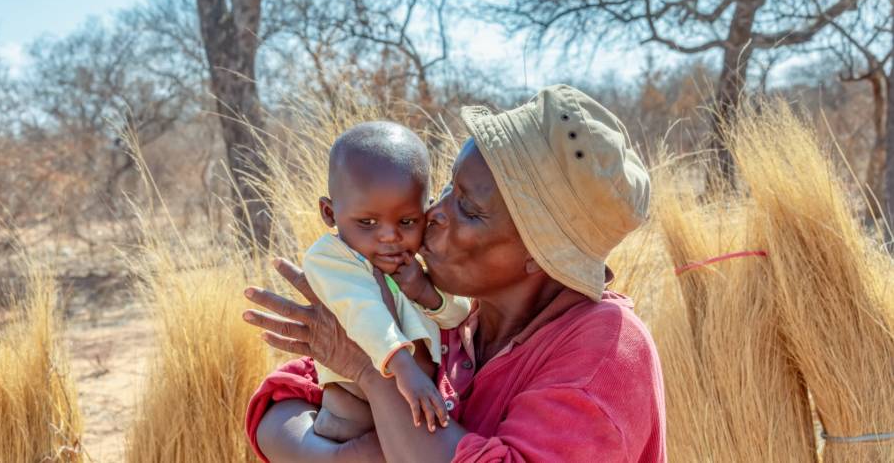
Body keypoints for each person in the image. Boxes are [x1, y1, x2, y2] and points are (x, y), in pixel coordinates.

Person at [243, 84, 666, 462]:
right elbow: (288, 394)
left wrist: (374, 373)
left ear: (541, 254)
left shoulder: (606, 354)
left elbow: (356, 370)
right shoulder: (457, 313)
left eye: (469, 208)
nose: (433, 214)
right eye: (447, 188)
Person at [300, 122, 471, 437]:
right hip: (352, 413)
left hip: (417, 405)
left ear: (427, 210)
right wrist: (405, 369)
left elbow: (461, 315)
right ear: (329, 212)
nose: (390, 237)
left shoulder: (417, 262)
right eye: (367, 222)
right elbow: (363, 310)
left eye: (407, 221)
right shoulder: (330, 258)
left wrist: (424, 291)